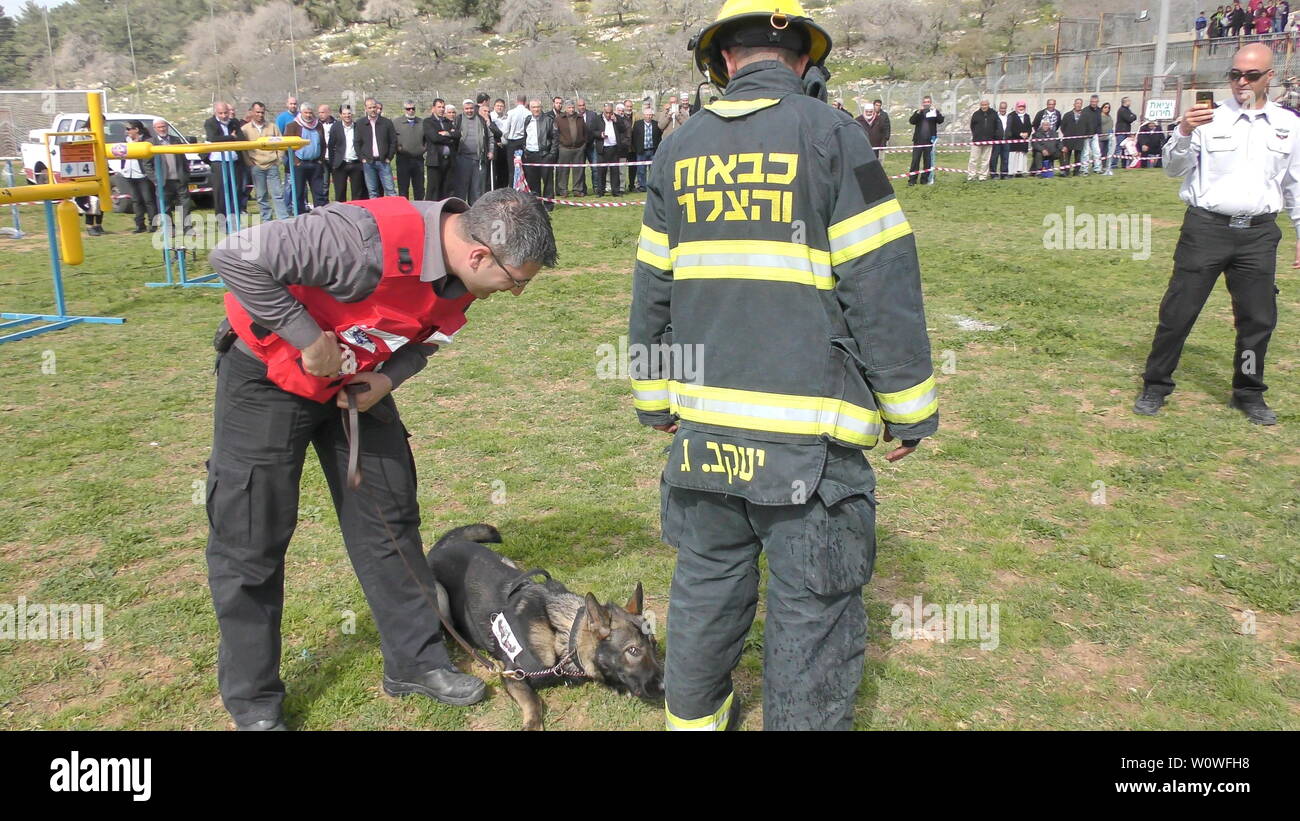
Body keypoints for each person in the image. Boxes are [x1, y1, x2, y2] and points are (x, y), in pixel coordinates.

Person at [630, 0, 937, 731]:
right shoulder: (835, 135)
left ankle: (694, 720)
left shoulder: (678, 149)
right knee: (811, 604)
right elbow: (881, 280)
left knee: (706, 579)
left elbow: (653, 287)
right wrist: (910, 406)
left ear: (721, 63)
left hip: (703, 432)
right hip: (809, 439)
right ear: (804, 60)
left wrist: (653, 397)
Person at [205, 187, 558, 731]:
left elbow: (427, 336)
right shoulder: (358, 239)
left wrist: (387, 380)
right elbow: (234, 255)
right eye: (517, 282)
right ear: (480, 255)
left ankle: (416, 663)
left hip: (355, 389)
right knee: (251, 536)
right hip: (269, 381)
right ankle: (252, 700)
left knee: (390, 522)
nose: (514, 294)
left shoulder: (464, 276)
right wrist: (305, 337)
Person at [1135, 43, 1296, 426]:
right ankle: (1155, 385)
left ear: (1269, 77)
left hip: (1258, 235)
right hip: (1206, 229)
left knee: (1258, 319)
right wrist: (1185, 130)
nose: (1241, 82)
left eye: (1251, 75)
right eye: (1234, 74)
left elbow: (1295, 184)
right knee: (1178, 312)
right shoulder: (1209, 118)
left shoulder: (1289, 125)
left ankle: (1248, 391)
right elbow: (1173, 169)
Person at [242, 101, 289, 222]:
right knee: (261, 195)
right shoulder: (245, 129)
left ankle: (283, 220)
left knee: (278, 194)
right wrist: (249, 163)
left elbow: (281, 144)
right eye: (257, 112)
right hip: (256, 166)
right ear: (252, 112)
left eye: (262, 112)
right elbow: (243, 149)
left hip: (272, 165)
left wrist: (279, 158)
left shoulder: (272, 127)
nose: (260, 115)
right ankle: (267, 220)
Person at [204, 101, 248, 223]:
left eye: (226, 113)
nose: (224, 116)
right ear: (215, 112)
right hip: (218, 161)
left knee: (236, 189)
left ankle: (235, 219)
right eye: (221, 113)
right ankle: (222, 220)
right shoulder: (210, 122)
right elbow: (213, 138)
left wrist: (232, 137)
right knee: (220, 191)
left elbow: (241, 139)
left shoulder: (234, 122)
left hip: (234, 160)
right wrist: (231, 137)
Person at [151, 117, 192, 236]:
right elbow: (147, 164)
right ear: (155, 129)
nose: (162, 129)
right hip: (163, 181)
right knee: (165, 206)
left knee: (185, 204)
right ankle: (169, 229)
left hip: (179, 179)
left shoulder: (176, 140)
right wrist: (155, 179)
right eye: (159, 127)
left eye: (164, 126)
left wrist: (186, 174)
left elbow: (184, 159)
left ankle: (187, 228)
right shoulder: (151, 143)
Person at [284, 103, 327, 215]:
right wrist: (295, 161)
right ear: (301, 113)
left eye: (310, 113)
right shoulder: (292, 126)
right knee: (299, 193)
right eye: (306, 113)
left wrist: (320, 160)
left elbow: (323, 144)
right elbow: (287, 146)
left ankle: (320, 216)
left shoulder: (318, 125)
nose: (308, 115)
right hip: (300, 165)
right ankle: (300, 217)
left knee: (319, 193)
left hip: (315, 164)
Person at [117, 120, 157, 234]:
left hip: (143, 174)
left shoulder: (147, 141)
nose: (127, 131)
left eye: (129, 129)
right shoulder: (125, 141)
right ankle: (140, 225)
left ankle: (153, 224)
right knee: (136, 200)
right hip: (129, 174)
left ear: (136, 129)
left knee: (149, 200)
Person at [450, 98, 493, 204]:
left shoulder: (481, 120)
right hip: (462, 158)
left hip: (479, 159)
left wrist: (491, 151)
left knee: (477, 189)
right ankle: (459, 213)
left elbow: (490, 137)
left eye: (471, 108)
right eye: (467, 109)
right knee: (461, 188)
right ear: (463, 109)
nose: (469, 111)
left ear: (474, 108)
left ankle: (474, 214)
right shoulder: (458, 120)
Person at [521, 99, 558, 211]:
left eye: (538, 107)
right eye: (533, 107)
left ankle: (548, 205)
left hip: (544, 155)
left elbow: (555, 138)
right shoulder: (527, 120)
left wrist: (551, 154)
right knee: (533, 182)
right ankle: (536, 205)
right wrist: (525, 150)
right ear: (530, 108)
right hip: (531, 155)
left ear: (541, 107)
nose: (536, 109)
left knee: (547, 181)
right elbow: (525, 136)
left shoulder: (548, 120)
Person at [356, 97, 398, 198]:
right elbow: (357, 142)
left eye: (374, 107)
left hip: (384, 162)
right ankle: (375, 213)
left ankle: (394, 212)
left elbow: (393, 141)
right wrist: (362, 159)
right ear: (366, 109)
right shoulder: (360, 123)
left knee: (390, 190)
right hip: (368, 163)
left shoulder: (387, 122)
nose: (373, 110)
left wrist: (389, 157)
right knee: (373, 192)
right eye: (370, 107)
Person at [330, 105, 367, 202]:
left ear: (352, 114)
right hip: (340, 164)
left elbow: (363, 143)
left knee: (357, 192)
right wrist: (333, 163)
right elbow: (331, 146)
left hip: (356, 163)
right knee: (340, 192)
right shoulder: (335, 127)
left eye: (349, 113)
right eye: (344, 114)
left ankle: (356, 213)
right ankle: (341, 214)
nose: (347, 116)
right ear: (340, 115)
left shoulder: (357, 126)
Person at [423, 99, 457, 201]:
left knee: (447, 188)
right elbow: (434, 138)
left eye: (443, 107)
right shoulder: (428, 122)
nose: (441, 109)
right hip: (435, 160)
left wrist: (448, 134)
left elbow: (458, 135)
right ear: (433, 108)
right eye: (439, 107)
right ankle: (430, 211)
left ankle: (445, 211)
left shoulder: (448, 122)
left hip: (449, 160)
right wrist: (450, 138)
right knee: (434, 189)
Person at [907, 95, 943, 184]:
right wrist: (918, 112)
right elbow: (912, 121)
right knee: (915, 161)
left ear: (930, 103)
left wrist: (936, 112)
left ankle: (924, 179)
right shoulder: (919, 112)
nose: (926, 103)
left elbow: (940, 120)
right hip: (918, 141)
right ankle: (912, 180)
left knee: (927, 161)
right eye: (925, 102)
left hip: (929, 141)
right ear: (922, 103)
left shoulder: (934, 112)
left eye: (928, 102)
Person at [555, 100, 587, 197]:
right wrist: (560, 145)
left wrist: (583, 144)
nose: (571, 109)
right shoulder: (559, 118)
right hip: (564, 148)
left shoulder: (580, 118)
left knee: (578, 170)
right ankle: (563, 189)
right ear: (565, 108)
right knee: (563, 170)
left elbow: (585, 132)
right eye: (569, 108)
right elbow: (556, 133)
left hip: (578, 148)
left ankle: (577, 189)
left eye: (573, 107)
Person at [394, 100, 426, 200]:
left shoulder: (422, 122)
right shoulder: (396, 123)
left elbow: (427, 139)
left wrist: (424, 149)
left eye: (413, 108)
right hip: (403, 159)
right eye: (408, 109)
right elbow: (392, 139)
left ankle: (420, 209)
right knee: (403, 188)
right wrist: (397, 148)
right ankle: (404, 210)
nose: (411, 111)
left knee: (419, 188)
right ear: (404, 109)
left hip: (418, 159)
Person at [594, 103, 627, 196]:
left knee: (615, 171)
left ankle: (616, 191)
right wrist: (600, 135)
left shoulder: (617, 118)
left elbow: (623, 129)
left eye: (610, 112)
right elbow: (592, 132)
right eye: (606, 113)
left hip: (614, 148)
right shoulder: (597, 119)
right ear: (603, 111)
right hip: (602, 148)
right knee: (601, 171)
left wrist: (616, 121)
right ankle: (600, 191)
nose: (608, 115)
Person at [630, 105, 662, 192]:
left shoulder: (656, 124)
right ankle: (642, 186)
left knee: (653, 170)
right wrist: (636, 148)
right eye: (647, 115)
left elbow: (659, 137)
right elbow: (634, 137)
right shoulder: (637, 124)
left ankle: (653, 185)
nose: (649, 116)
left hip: (653, 151)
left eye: (650, 115)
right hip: (641, 151)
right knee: (641, 170)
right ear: (644, 115)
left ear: (652, 115)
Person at [577, 98, 603, 196]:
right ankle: (582, 189)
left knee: (595, 168)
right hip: (580, 147)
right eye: (579, 105)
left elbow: (597, 129)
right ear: (577, 106)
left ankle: (596, 187)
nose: (582, 107)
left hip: (592, 146)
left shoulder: (592, 115)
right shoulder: (575, 116)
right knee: (580, 169)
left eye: (583, 105)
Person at [967, 99, 997, 181]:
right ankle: (971, 176)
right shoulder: (976, 114)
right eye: (982, 105)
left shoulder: (994, 114)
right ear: (980, 105)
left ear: (988, 104)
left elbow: (996, 126)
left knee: (985, 160)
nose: (984, 106)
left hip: (989, 141)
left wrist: (993, 136)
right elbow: (972, 126)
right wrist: (976, 135)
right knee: (973, 159)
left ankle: (983, 176)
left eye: (985, 105)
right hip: (977, 141)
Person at [1007, 101, 1032, 176]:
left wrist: (1027, 134)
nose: (1021, 108)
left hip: (1024, 140)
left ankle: (1020, 172)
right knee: (1013, 156)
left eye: (1023, 107)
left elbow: (1029, 127)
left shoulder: (1027, 116)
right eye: (1019, 107)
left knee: (1022, 155)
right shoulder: (1011, 115)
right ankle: (1011, 172)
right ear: (1016, 107)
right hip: (1014, 139)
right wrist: (1019, 134)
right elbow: (1010, 128)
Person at [989, 100, 1011, 179]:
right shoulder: (995, 117)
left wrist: (1009, 135)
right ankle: (993, 174)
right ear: (999, 108)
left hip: (1006, 141)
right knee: (994, 158)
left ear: (1006, 108)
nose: (1002, 110)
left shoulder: (1009, 117)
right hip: (997, 141)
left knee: (1005, 158)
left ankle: (1004, 174)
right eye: (1001, 108)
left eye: (1004, 108)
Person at [1098, 102, 1116, 176]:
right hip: (1101, 137)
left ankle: (1104, 166)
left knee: (1106, 153)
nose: (1107, 109)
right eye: (1105, 107)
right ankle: (1098, 166)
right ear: (1102, 108)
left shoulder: (1109, 116)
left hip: (1108, 137)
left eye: (1108, 107)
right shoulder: (1099, 116)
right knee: (1100, 153)